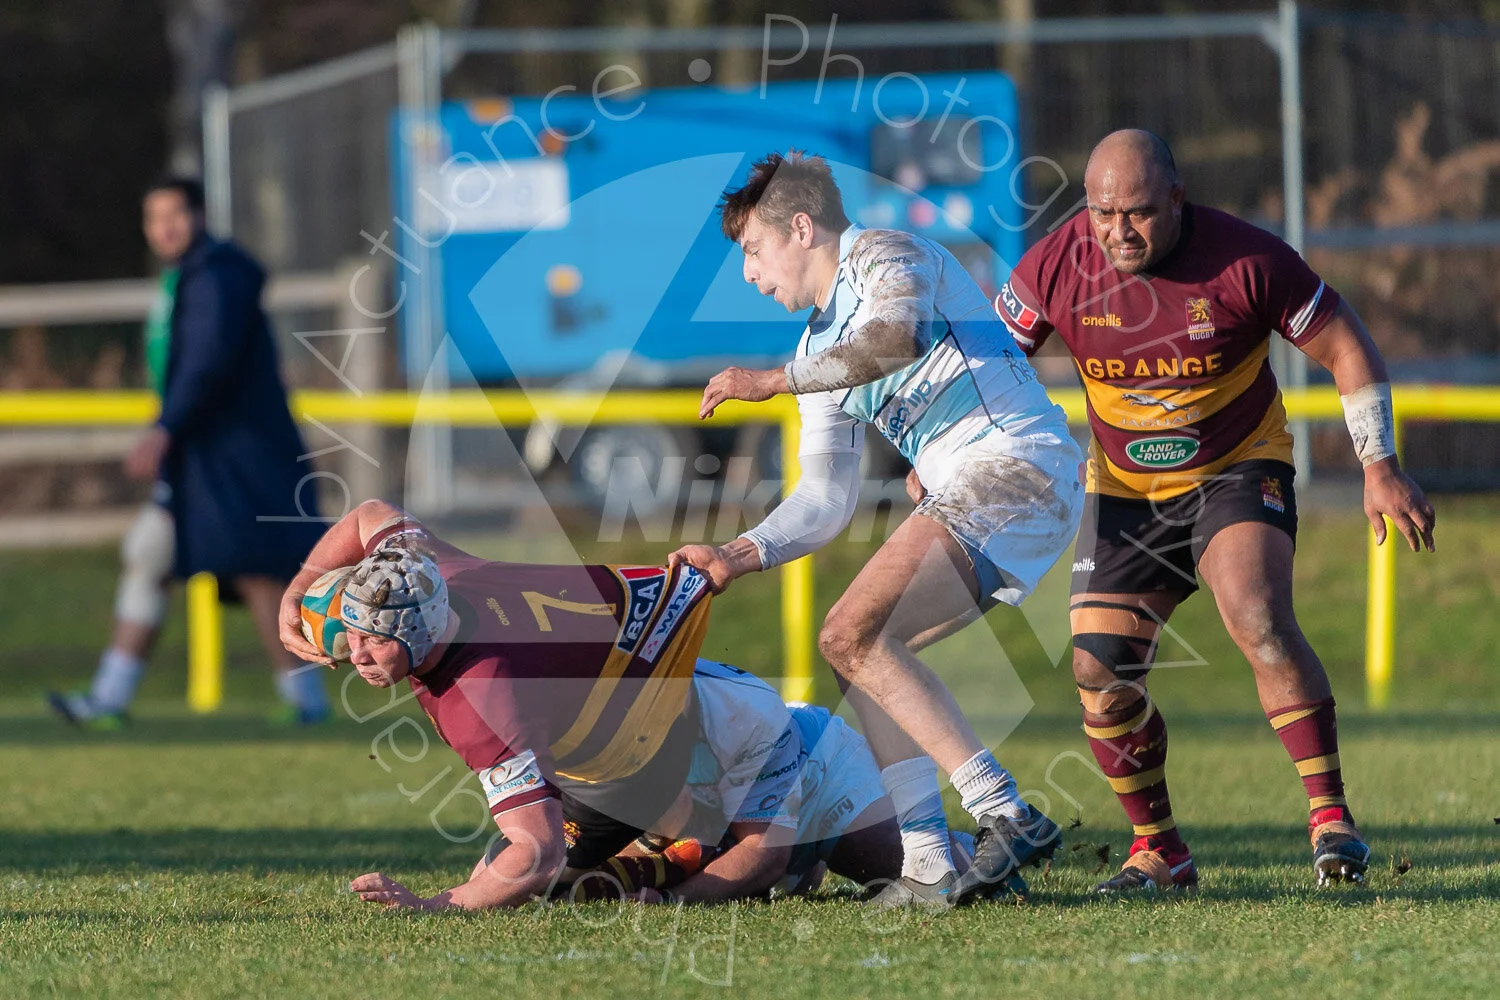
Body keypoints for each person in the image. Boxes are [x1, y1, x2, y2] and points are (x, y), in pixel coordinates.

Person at [995, 129, 1437, 891]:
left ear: (1176, 198)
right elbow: (987, 364)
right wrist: (950, 460)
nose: (1117, 231)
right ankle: (1159, 851)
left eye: (1135, 212)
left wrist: (1380, 464)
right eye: (1103, 213)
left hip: (1237, 465)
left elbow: (1347, 347)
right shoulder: (1054, 265)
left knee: (1256, 613)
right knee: (1100, 671)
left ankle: (1331, 818)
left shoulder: (1247, 260)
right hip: (1126, 487)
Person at [667, 151, 1085, 906]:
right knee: (854, 650)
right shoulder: (813, 351)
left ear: (801, 227)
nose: (749, 275)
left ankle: (1004, 812)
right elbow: (826, 500)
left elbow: (896, 340)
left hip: (1018, 467)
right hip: (979, 485)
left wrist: (770, 383)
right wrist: (734, 553)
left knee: (853, 633)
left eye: (753, 251)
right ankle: (928, 862)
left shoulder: (888, 253)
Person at [281, 499, 953, 910]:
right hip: (634, 741)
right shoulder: (435, 575)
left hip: (772, 740)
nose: (354, 656)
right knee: (547, 884)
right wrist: (302, 589)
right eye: (354, 635)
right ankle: (688, 843)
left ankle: (970, 837)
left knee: (894, 868)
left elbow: (536, 852)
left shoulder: (486, 700)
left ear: (421, 631)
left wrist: (436, 905)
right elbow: (371, 517)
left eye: (373, 642)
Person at [49, 176, 329, 728]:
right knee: (150, 555)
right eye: (153, 218)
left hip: (235, 454)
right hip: (201, 456)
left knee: (257, 570)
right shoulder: (189, 276)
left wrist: (164, 428)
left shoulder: (218, 277)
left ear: (199, 216)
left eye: (174, 214)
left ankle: (306, 701)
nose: (164, 227)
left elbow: (207, 361)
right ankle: (108, 698)